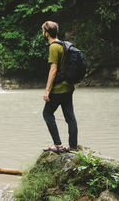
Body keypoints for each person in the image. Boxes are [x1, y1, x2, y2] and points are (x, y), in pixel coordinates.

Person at [41, 21, 78, 152]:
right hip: (68, 87)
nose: (42, 34)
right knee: (70, 117)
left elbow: (53, 69)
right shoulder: (63, 45)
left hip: (58, 89)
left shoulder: (53, 47)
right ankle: (73, 146)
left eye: (43, 31)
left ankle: (58, 145)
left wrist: (47, 90)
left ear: (46, 33)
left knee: (47, 114)